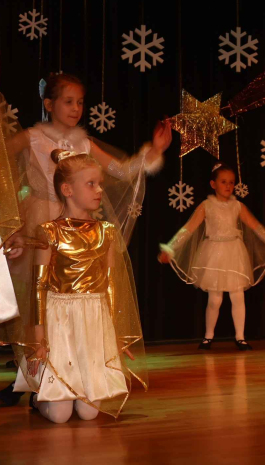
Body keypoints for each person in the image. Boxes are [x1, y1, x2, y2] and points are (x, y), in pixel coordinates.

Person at [0, 74, 170, 407]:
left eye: (80, 102)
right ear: (49, 104)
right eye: (68, 101)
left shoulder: (85, 143)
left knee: (71, 303)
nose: (76, 108)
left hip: (77, 227)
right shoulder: (32, 137)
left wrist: (154, 152)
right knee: (35, 301)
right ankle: (32, 377)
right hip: (38, 224)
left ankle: (70, 377)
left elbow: (121, 171)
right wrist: (12, 221)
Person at [11, 149, 147, 422]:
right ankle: (39, 397)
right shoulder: (49, 231)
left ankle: (73, 391)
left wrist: (115, 335)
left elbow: (111, 285)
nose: (99, 190)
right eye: (91, 184)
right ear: (67, 190)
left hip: (93, 319)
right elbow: (39, 285)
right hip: (60, 320)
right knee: (60, 415)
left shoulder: (106, 232)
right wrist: (39, 337)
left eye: (100, 184)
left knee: (88, 413)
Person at [158, 163, 265, 350]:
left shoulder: (238, 206)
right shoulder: (206, 206)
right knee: (215, 299)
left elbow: (256, 227)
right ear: (213, 184)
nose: (228, 186)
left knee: (237, 296)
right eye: (223, 182)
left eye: (231, 182)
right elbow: (188, 228)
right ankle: (208, 337)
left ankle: (240, 337)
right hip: (214, 253)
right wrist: (170, 248)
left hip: (234, 252)